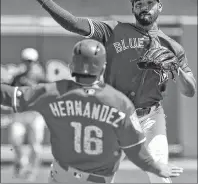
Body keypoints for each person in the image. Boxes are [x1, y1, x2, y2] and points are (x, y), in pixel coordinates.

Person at [21, 0, 196, 183]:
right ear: (133, 8)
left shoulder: (172, 47)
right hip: (115, 114)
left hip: (150, 118)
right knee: (94, 177)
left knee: (160, 177)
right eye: (139, 3)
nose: (144, 7)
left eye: (150, 2)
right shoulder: (113, 30)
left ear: (159, 6)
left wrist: (175, 69)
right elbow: (74, 23)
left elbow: (189, 90)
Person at [0, 39, 183, 183]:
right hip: (99, 179)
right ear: (103, 68)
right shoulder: (119, 102)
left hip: (62, 176)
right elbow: (136, 150)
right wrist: (156, 168)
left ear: (72, 67)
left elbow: (10, 95)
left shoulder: (52, 92)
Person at [8, 47, 46, 181]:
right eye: (26, 61)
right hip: (20, 114)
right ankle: (22, 161)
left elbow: (48, 94)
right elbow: (9, 92)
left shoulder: (41, 77)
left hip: (35, 115)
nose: (29, 63)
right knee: (15, 140)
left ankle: (32, 171)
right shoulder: (17, 76)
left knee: (36, 146)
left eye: (31, 61)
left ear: (35, 61)